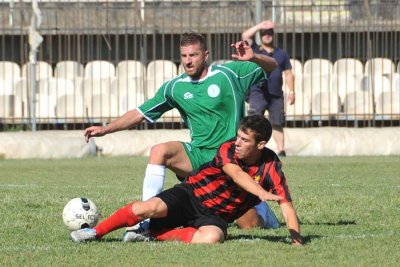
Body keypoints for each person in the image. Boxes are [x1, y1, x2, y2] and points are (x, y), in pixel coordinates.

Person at [83, 32, 278, 239]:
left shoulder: (230, 74)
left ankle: (264, 211)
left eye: (193, 55)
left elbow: (272, 66)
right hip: (198, 156)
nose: (188, 61)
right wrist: (106, 129)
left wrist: (255, 57)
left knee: (249, 225)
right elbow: (140, 113)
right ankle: (147, 223)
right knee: (160, 151)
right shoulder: (175, 88)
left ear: (205, 55)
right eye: (184, 56)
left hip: (231, 161)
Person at [71, 115, 303, 246]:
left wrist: (297, 241)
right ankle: (95, 233)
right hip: (190, 195)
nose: (238, 142)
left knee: (212, 238)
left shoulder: (272, 167)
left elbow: (287, 207)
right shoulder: (227, 149)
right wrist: (261, 193)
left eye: (245, 140)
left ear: (261, 145)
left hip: (216, 216)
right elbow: (237, 175)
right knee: (147, 207)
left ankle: (152, 235)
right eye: (239, 136)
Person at [242, 20, 295, 156]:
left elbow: (288, 73)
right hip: (257, 92)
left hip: (276, 93)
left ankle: (281, 150)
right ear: (260, 35)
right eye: (264, 33)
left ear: (273, 35)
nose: (267, 35)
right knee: (253, 122)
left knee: (277, 122)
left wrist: (292, 92)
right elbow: (245, 36)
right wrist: (261, 25)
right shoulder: (254, 49)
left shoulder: (281, 53)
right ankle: (251, 149)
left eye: (270, 33)